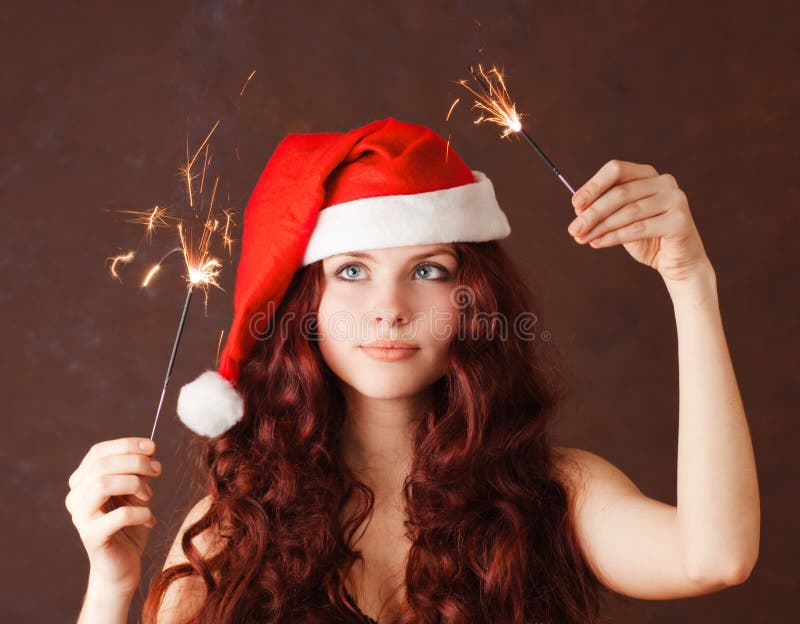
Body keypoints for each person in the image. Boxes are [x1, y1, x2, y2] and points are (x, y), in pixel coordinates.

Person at [65, 118, 759, 623]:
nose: (389, 310)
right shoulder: (235, 528)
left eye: (427, 270)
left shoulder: (554, 493)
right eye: (352, 272)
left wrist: (688, 277)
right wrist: (110, 585)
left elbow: (715, 558)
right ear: (303, 302)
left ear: (472, 299)